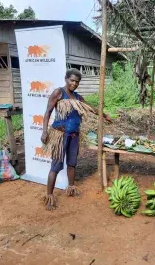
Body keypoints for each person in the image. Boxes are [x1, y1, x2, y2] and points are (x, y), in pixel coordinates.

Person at [41, 68, 111, 211]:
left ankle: (71, 188)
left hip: (74, 136)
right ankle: (49, 196)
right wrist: (44, 132)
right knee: (55, 166)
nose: (74, 84)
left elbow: (90, 108)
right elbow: (48, 112)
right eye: (72, 80)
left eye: (77, 82)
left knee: (72, 164)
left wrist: (104, 115)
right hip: (59, 136)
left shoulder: (78, 97)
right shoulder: (58, 93)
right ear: (66, 79)